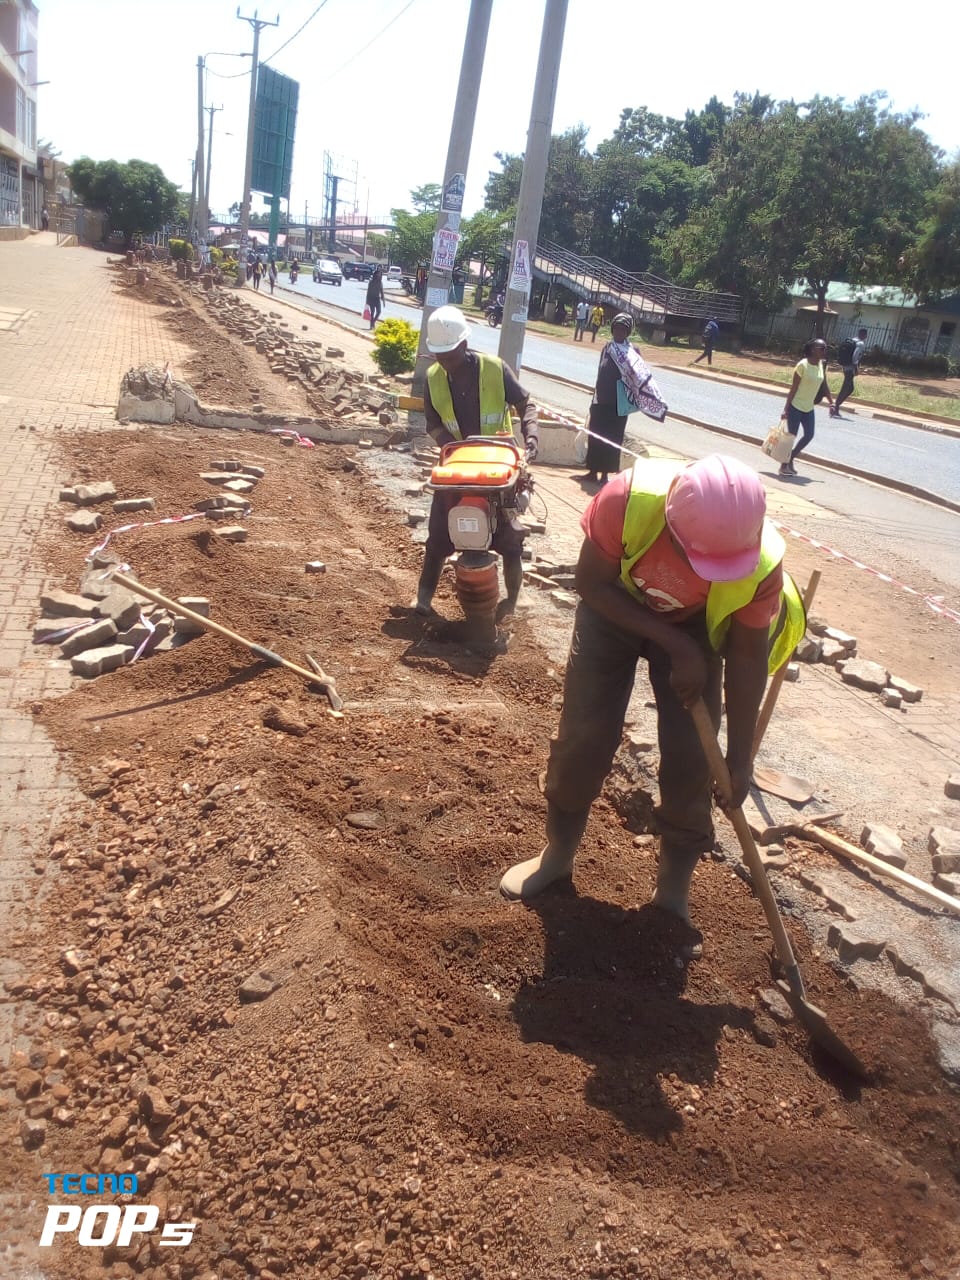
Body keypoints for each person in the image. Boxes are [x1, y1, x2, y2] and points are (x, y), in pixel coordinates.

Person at [499, 454, 805, 921]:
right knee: (584, 736)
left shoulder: (759, 564)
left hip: (698, 629)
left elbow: (747, 657)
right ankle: (556, 857)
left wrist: (740, 758)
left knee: (692, 759)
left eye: (719, 568)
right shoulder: (628, 501)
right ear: (672, 526)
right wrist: (672, 643)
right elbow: (590, 583)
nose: (707, 575)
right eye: (697, 561)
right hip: (614, 606)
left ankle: (672, 894)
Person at [414, 306, 539, 621]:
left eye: (450, 356)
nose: (445, 363)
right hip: (458, 470)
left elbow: (526, 403)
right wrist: (454, 448)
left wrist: (531, 438)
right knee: (438, 536)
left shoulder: (494, 369)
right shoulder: (433, 378)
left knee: (509, 541)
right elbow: (433, 424)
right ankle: (423, 601)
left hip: (497, 471)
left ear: (464, 345)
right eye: (440, 356)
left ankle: (512, 602)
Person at [583, 313, 667, 486]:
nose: (619, 332)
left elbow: (640, 376)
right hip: (600, 401)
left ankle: (605, 474)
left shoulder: (632, 351)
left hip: (618, 405)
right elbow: (600, 371)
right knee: (595, 435)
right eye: (616, 328)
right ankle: (592, 471)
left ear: (628, 332)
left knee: (612, 438)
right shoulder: (608, 347)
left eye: (623, 329)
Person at [779, 338, 835, 477]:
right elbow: (793, 389)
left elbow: (824, 385)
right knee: (791, 437)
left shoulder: (821, 364)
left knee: (809, 435)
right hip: (796, 406)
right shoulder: (802, 365)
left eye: (825, 348)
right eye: (822, 348)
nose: (824, 351)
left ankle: (790, 458)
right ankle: (783, 466)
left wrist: (831, 402)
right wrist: (786, 409)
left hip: (809, 407)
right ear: (812, 349)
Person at [833, 328, 868, 417]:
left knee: (850, 388)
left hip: (845, 366)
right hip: (850, 367)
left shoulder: (853, 340)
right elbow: (856, 355)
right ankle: (835, 407)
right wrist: (855, 367)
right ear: (865, 335)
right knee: (845, 387)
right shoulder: (860, 343)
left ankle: (837, 405)